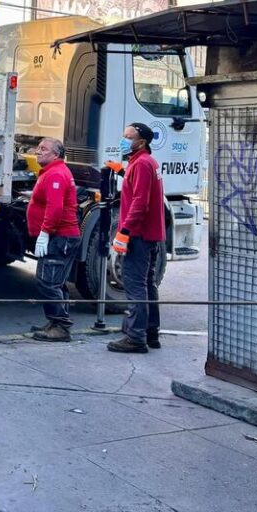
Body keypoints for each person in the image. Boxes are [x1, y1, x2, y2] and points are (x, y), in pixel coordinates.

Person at [107, 122, 166, 354]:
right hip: (150, 234)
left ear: (141, 142)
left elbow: (140, 203)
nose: (124, 140)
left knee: (135, 285)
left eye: (128, 137)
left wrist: (124, 232)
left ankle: (135, 338)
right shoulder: (146, 162)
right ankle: (151, 333)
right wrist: (121, 171)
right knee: (148, 284)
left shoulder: (141, 164)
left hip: (139, 235)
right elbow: (139, 185)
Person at [27, 137, 81, 342]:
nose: (38, 151)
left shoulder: (56, 174)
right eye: (38, 147)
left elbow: (55, 208)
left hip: (60, 237)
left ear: (56, 155)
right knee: (55, 282)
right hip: (62, 236)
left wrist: (45, 232)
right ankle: (56, 322)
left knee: (47, 282)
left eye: (44, 149)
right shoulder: (52, 172)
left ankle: (60, 327)